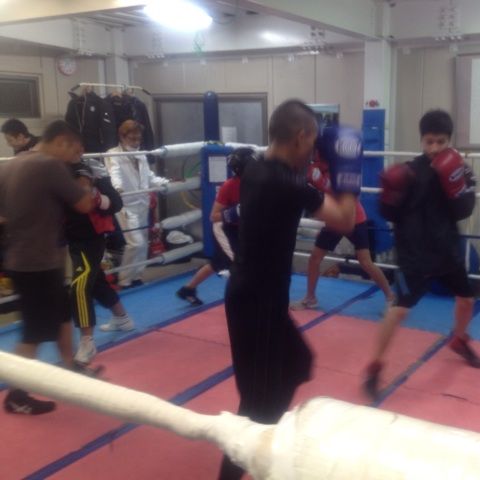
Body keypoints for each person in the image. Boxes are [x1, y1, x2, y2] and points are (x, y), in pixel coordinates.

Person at [218, 99, 361, 479]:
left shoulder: (256, 166)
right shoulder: (286, 182)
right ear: (300, 137)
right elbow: (345, 219)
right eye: (312, 142)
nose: (313, 151)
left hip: (254, 296)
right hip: (257, 304)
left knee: (297, 362)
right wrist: (348, 168)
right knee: (256, 406)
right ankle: (249, 453)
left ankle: (266, 439)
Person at [364, 109, 480, 400]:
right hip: (414, 254)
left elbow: (465, 210)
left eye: (440, 142)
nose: (434, 148)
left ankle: (459, 339)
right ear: (421, 140)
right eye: (429, 141)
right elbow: (387, 213)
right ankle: (374, 367)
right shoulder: (409, 173)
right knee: (400, 310)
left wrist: (456, 185)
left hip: (446, 249)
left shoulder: (459, 169)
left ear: (449, 140)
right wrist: (389, 195)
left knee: (467, 300)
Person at [0, 120, 95, 415]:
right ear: (61, 142)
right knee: (35, 331)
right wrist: (86, 180)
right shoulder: (49, 165)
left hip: (25, 258)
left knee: (63, 314)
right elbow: (84, 205)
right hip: (37, 263)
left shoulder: (12, 164)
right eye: (73, 151)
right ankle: (16, 395)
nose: (73, 158)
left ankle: (69, 368)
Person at [291, 154, 395, 310]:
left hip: (354, 217)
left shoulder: (341, 167)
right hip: (334, 219)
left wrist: (321, 181)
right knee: (315, 258)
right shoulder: (314, 167)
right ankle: (310, 298)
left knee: (365, 262)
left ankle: (391, 297)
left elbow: (345, 193)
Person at [65, 158, 136, 368]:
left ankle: (87, 341)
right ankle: (122, 318)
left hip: (89, 237)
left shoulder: (90, 169)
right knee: (96, 280)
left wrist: (95, 196)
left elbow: (115, 202)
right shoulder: (54, 169)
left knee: (79, 286)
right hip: (73, 236)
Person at [176, 147, 256, 306]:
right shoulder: (229, 186)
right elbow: (213, 216)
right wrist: (234, 212)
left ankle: (188, 289)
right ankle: (241, 300)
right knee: (239, 262)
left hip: (241, 228)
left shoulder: (256, 183)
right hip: (224, 228)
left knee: (218, 263)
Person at [105, 120, 169, 289]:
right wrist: (117, 188)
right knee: (136, 243)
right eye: (132, 138)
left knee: (143, 243)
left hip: (142, 203)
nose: (136, 142)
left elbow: (149, 177)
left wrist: (167, 182)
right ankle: (124, 280)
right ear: (122, 137)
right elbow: (114, 174)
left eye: (138, 138)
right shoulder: (112, 154)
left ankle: (137, 276)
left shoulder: (140, 153)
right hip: (126, 205)